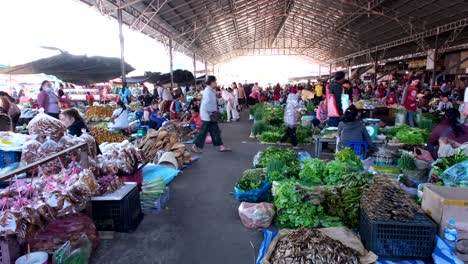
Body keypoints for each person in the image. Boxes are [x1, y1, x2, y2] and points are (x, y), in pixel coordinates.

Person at [192, 76, 230, 153]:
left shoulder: (210, 90)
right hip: (207, 115)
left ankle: (221, 147)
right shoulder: (208, 92)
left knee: (215, 131)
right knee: (203, 132)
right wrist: (213, 111)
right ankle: (194, 146)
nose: (216, 83)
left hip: (209, 115)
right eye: (215, 81)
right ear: (212, 82)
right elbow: (205, 104)